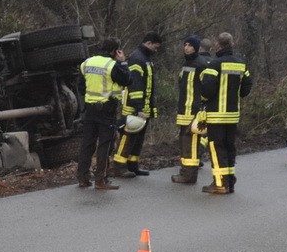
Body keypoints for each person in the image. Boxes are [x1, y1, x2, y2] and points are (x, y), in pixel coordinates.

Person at [75, 37, 132, 190]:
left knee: (87, 144)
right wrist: (123, 62)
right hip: (106, 110)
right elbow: (127, 80)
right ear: (115, 51)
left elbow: (81, 87)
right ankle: (100, 180)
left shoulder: (86, 63)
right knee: (105, 145)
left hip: (89, 109)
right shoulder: (112, 65)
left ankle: (83, 178)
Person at [199, 32, 252, 194]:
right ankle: (229, 182)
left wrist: (204, 101)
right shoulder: (242, 65)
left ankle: (220, 183)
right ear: (232, 43)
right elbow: (246, 88)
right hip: (233, 114)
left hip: (216, 115)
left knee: (216, 147)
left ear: (218, 45)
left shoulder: (214, 65)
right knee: (230, 147)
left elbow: (206, 90)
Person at [110, 31, 163, 177]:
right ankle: (119, 166)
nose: (156, 50)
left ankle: (133, 165)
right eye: (155, 47)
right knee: (128, 137)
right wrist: (138, 107)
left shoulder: (145, 58)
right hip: (134, 107)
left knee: (138, 139)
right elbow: (135, 85)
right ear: (149, 43)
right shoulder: (137, 59)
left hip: (143, 107)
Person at [171, 35, 211, 184]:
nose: (186, 47)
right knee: (184, 142)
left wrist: (201, 109)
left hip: (194, 111)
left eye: (190, 45)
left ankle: (189, 175)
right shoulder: (187, 63)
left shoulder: (201, 64)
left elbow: (206, 88)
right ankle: (185, 171)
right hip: (184, 110)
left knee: (191, 143)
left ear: (196, 48)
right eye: (185, 44)